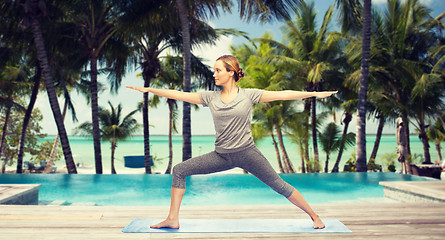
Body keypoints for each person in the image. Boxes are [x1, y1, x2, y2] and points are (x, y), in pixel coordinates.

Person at [127, 55, 337, 230]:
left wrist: (314, 94)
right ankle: (172, 219)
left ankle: (314, 216)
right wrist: (150, 90)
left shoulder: (249, 95)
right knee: (179, 169)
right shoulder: (210, 98)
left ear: (231, 72)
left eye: (218, 70)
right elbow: (180, 95)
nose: (214, 74)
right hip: (221, 155)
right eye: (214, 70)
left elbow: (283, 95)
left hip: (248, 153)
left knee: (279, 186)